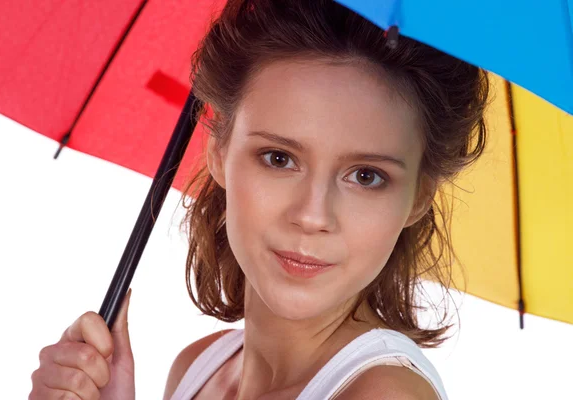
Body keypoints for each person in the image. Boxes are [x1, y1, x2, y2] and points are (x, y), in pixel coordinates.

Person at [29, 0, 489, 399]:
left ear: (418, 198)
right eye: (279, 158)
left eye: (366, 176)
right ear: (218, 148)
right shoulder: (198, 367)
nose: (312, 216)